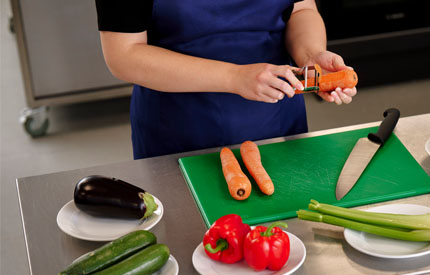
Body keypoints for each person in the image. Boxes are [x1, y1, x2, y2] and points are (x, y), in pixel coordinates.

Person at [95, 0, 357, 159]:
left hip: (278, 123)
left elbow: (300, 9)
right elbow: (124, 54)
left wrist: (311, 55)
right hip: (179, 132)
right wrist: (235, 77)